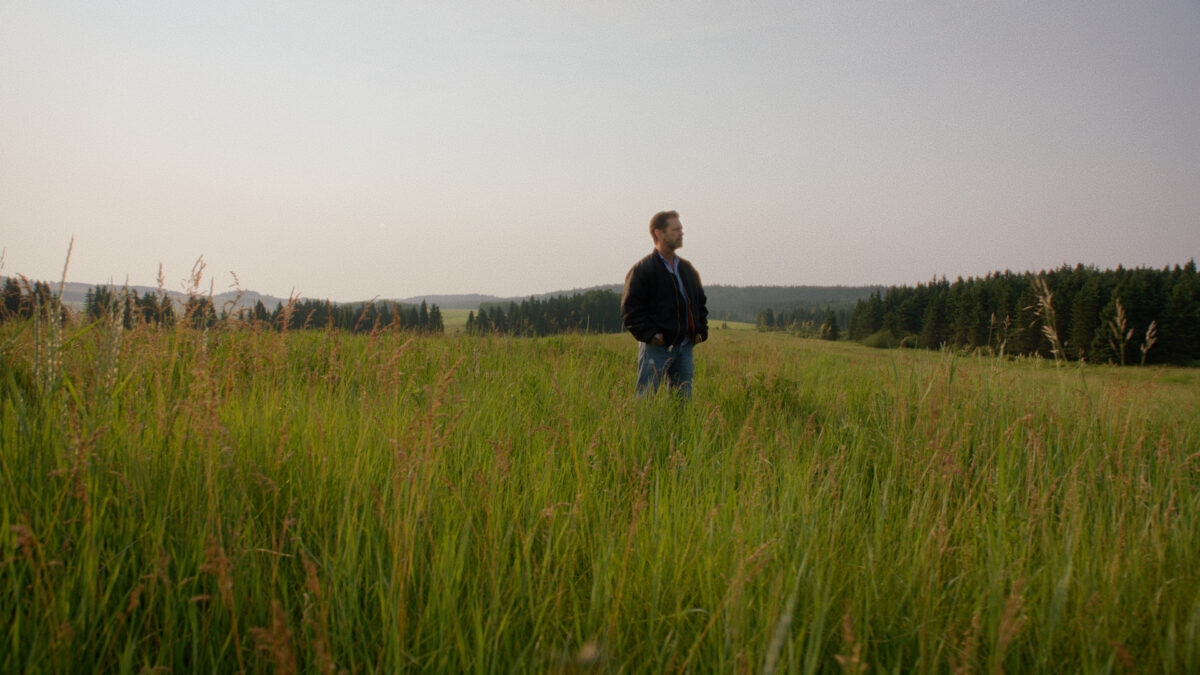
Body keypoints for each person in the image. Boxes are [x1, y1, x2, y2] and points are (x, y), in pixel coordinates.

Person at [620, 210, 708, 398]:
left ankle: (680, 429)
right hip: (656, 347)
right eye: (675, 229)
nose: (681, 233)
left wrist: (700, 331)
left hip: (684, 347)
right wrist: (652, 336)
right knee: (645, 400)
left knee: (681, 403)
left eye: (681, 229)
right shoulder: (644, 270)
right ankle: (642, 428)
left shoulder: (686, 269)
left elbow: (700, 304)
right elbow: (630, 310)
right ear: (659, 233)